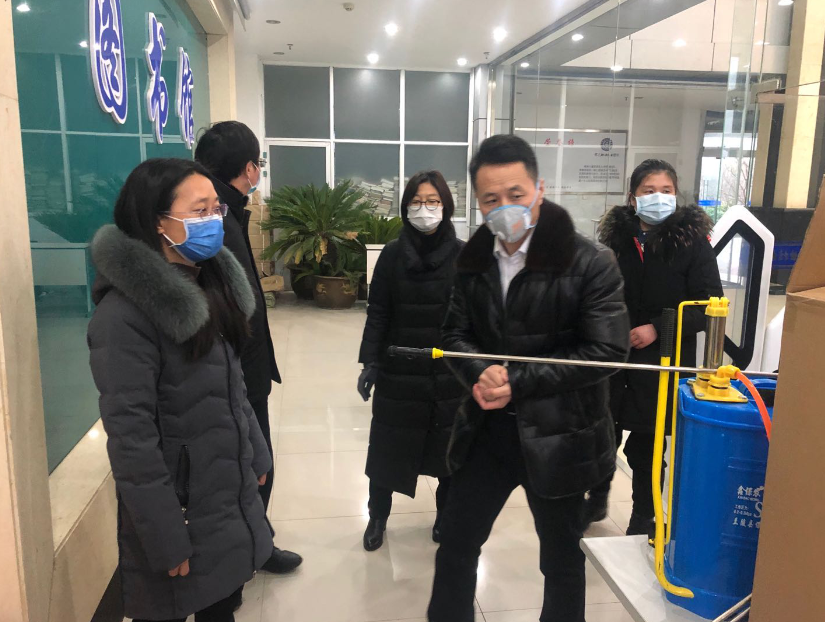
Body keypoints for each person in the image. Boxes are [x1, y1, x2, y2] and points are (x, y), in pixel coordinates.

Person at [426, 135, 630, 622]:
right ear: (478, 203)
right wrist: (479, 371)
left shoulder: (590, 262)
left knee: (561, 560)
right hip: (487, 430)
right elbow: (453, 334)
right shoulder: (472, 263)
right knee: (456, 543)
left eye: (515, 194)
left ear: (539, 189)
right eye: (491, 199)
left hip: (562, 436)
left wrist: (517, 381)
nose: (505, 207)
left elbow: (606, 351)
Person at [87, 159, 274, 622]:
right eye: (199, 210)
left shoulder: (208, 283)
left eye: (216, 209)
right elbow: (131, 441)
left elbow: (231, 388)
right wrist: (165, 538)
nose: (214, 221)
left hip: (223, 493)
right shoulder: (123, 316)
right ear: (158, 221)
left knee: (221, 603)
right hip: (180, 510)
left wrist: (256, 452)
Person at [593, 159, 723, 536]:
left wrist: (658, 328)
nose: (658, 197)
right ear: (632, 197)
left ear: (676, 195)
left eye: (666, 191)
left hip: (663, 360)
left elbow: (708, 305)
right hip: (614, 356)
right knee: (601, 434)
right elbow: (595, 294)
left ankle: (643, 514)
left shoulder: (692, 244)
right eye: (649, 190)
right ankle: (595, 499)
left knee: (647, 447)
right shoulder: (616, 242)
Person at [195, 121, 303, 574]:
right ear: (249, 168)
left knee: (250, 461)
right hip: (234, 372)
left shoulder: (227, 212)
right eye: (258, 163)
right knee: (256, 462)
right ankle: (253, 550)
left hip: (239, 368)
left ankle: (254, 541)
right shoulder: (216, 221)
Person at [357, 171, 465, 552]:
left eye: (432, 201)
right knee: (387, 452)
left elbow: (472, 317)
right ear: (405, 208)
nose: (425, 209)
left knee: (448, 453)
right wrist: (370, 362)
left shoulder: (463, 256)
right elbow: (378, 311)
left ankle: (447, 516)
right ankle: (377, 517)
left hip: (446, 374)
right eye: (417, 202)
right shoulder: (391, 255)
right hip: (399, 370)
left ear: (445, 206)